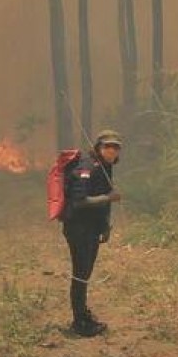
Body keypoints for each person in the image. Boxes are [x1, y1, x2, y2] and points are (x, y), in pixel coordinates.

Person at [62, 129, 123, 338]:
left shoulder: (105, 166)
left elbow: (103, 200)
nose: (112, 150)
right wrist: (109, 198)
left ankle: (83, 314)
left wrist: (105, 227)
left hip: (92, 228)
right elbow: (80, 201)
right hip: (78, 228)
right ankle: (79, 322)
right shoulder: (86, 168)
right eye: (107, 146)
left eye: (116, 147)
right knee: (80, 274)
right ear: (98, 147)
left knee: (86, 273)